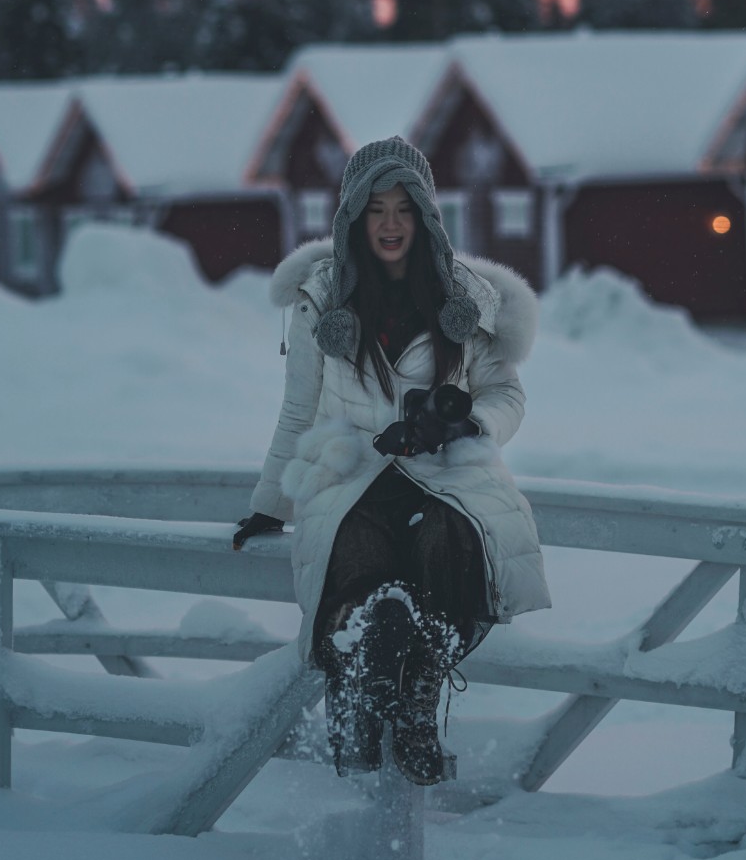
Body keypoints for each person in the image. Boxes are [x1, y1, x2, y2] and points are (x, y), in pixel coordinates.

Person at [233, 136, 550, 785]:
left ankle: (417, 704)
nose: (390, 224)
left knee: (449, 548)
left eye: (404, 208)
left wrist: (465, 421)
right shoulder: (322, 299)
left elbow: (507, 395)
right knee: (355, 566)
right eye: (374, 209)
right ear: (351, 216)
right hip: (353, 477)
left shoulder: (465, 300)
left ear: (428, 216)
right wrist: (270, 505)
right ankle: (361, 700)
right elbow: (298, 413)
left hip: (450, 479)